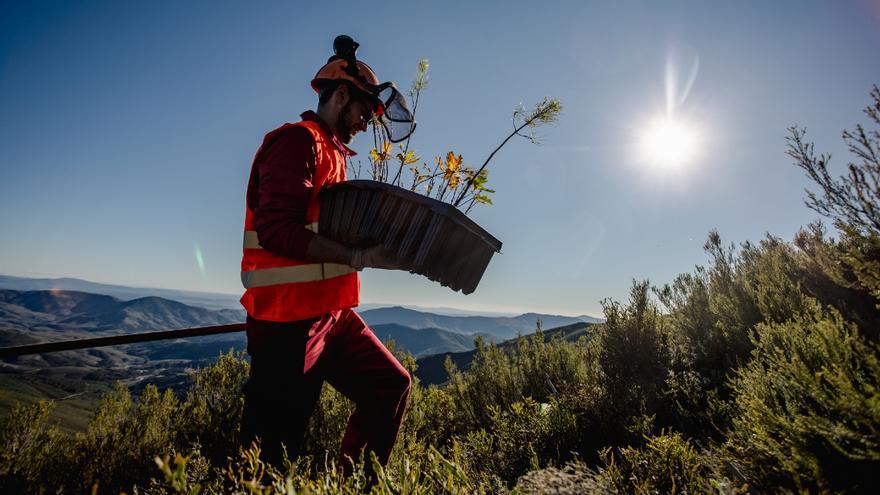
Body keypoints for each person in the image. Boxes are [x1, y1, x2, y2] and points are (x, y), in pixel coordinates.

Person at [238, 35, 416, 474]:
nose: (363, 124)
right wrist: (356, 256)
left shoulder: (333, 154)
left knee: (390, 385)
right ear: (340, 95)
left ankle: (354, 484)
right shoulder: (298, 141)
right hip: (286, 326)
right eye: (361, 112)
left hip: (330, 316)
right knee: (270, 458)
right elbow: (277, 229)